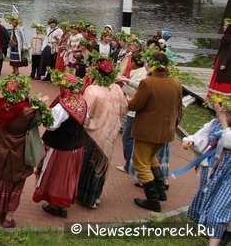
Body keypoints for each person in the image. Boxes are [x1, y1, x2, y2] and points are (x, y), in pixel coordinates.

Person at [0, 74, 42, 229]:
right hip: (20, 149)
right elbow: (36, 118)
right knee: (16, 183)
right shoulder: (29, 111)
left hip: (1, 144)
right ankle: (8, 218)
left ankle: (1, 210)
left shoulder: (1, 105)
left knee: (0, 178)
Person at [126, 52, 182, 212]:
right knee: (151, 158)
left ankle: (153, 200)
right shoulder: (176, 83)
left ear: (150, 65)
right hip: (165, 131)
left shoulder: (148, 83)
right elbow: (178, 106)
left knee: (141, 163)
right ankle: (161, 191)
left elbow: (135, 105)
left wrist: (123, 101)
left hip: (147, 131)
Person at [33, 70, 87, 219]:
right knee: (69, 176)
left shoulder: (62, 106)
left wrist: (44, 110)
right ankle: (62, 207)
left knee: (56, 175)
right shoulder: (82, 101)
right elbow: (85, 120)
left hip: (61, 146)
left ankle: (55, 205)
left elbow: (51, 125)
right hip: (77, 145)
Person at [76, 55, 128, 209]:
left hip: (94, 131)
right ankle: (96, 194)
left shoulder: (92, 90)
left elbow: (83, 111)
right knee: (103, 162)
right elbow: (124, 108)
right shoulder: (117, 88)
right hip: (111, 133)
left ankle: (86, 197)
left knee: (88, 163)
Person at [183, 95, 231, 246]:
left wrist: (224, 120)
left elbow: (229, 142)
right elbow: (200, 136)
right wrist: (191, 140)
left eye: (225, 112)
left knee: (218, 210)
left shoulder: (222, 124)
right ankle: (220, 229)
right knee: (209, 199)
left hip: (228, 175)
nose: (220, 114)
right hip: (212, 169)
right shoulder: (215, 123)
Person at [115, 52, 148, 173]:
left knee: (127, 137)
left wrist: (122, 85)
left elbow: (137, 95)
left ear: (133, 63)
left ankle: (130, 164)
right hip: (133, 109)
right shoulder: (140, 73)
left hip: (134, 111)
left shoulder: (140, 76)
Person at [209, 18, 231, 96]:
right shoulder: (226, 37)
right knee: (217, 76)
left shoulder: (229, 38)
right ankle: (214, 95)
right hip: (220, 59)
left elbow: (230, 52)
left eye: (226, 26)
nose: (224, 27)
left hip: (226, 62)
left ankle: (222, 96)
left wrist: (225, 63)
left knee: (224, 78)